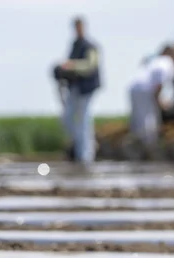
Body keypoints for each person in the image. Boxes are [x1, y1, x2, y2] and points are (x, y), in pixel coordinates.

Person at [59, 16, 101, 165]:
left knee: (84, 120)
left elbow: (91, 66)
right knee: (67, 118)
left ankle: (86, 155)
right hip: (74, 87)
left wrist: (72, 66)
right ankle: (78, 150)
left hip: (86, 88)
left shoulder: (90, 46)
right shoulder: (75, 45)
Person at [128, 45, 174, 160]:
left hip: (135, 88)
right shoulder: (167, 63)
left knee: (138, 121)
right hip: (145, 90)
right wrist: (159, 101)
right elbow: (159, 84)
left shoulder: (156, 60)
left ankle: (137, 148)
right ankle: (149, 150)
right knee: (148, 122)